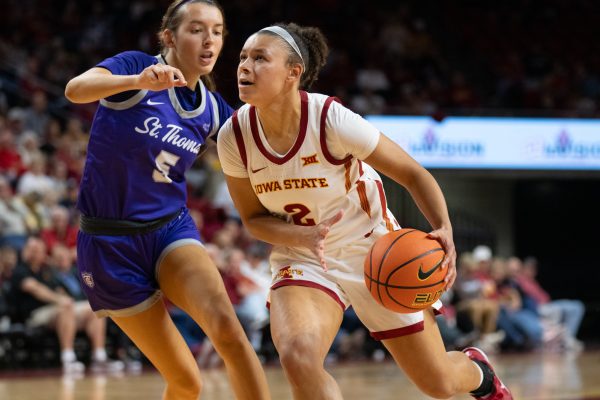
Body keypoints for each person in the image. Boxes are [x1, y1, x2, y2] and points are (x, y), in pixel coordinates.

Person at [217, 23, 512, 399]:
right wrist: (302, 236)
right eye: (243, 57)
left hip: (373, 252)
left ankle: (480, 373)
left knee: (438, 383)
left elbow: (413, 174)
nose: (245, 66)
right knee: (298, 356)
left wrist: (444, 229)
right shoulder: (234, 136)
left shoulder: (330, 120)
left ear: (293, 73)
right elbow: (253, 220)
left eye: (260, 58)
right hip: (303, 256)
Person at [63, 1, 270, 399]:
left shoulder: (213, 110)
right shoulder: (133, 66)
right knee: (186, 382)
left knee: (229, 332)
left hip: (169, 230)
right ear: (169, 37)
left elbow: (262, 150)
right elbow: (76, 90)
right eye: (196, 29)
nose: (209, 39)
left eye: (217, 30)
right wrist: (137, 80)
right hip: (109, 247)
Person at [11, 237, 123, 373]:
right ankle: (68, 359)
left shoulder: (47, 271)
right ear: (26, 251)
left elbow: (58, 290)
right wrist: (60, 299)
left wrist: (62, 297)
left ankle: (99, 357)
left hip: (55, 311)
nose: (36, 253)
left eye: (39, 250)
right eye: (33, 250)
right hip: (34, 315)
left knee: (93, 308)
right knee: (66, 307)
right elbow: (36, 289)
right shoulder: (20, 270)